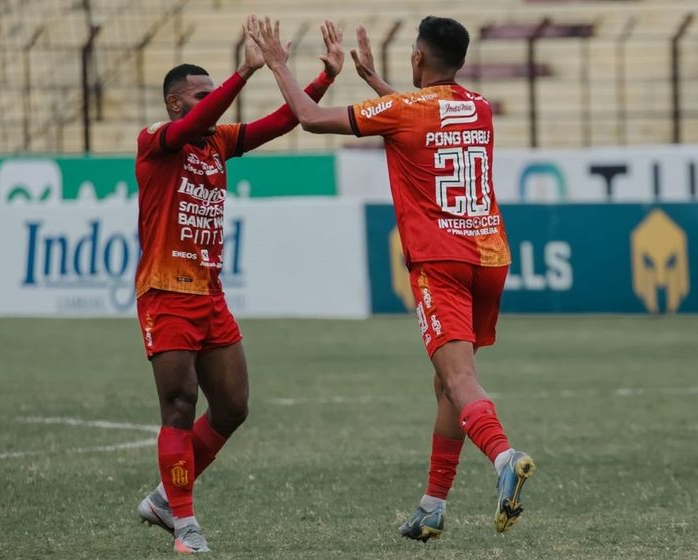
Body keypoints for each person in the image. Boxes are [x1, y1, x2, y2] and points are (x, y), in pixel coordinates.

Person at [255, 16, 535, 541]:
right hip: (489, 256)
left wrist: (277, 64)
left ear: (417, 59)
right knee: (448, 384)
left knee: (458, 379)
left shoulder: (404, 111)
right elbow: (420, 117)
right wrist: (375, 82)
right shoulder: (479, 107)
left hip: (441, 262)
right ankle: (432, 505)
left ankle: (503, 457)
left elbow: (311, 118)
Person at [132, 15, 343, 554]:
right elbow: (191, 123)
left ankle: (162, 499)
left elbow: (276, 124)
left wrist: (321, 82)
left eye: (212, 92)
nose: (211, 104)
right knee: (179, 405)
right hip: (166, 293)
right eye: (200, 96)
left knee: (232, 407)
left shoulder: (217, 143)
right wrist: (243, 73)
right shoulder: (158, 140)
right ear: (176, 102)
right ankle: (185, 525)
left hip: (210, 294)